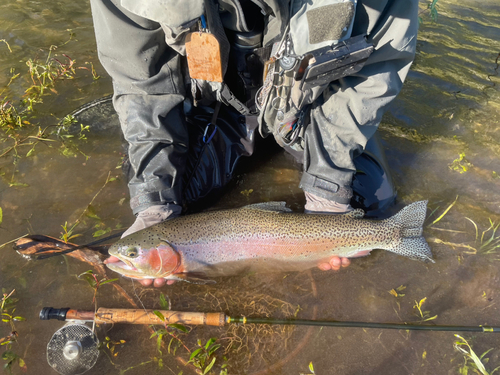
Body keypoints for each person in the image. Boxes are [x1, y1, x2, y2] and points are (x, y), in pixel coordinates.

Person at [91, 0, 419, 287]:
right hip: (215, 112)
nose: (126, 257)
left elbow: (373, 74)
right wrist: (154, 201)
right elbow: (143, 88)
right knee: (178, 199)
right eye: (134, 254)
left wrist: (329, 187)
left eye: (133, 253)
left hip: (309, 111)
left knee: (371, 198)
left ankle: (391, 233)